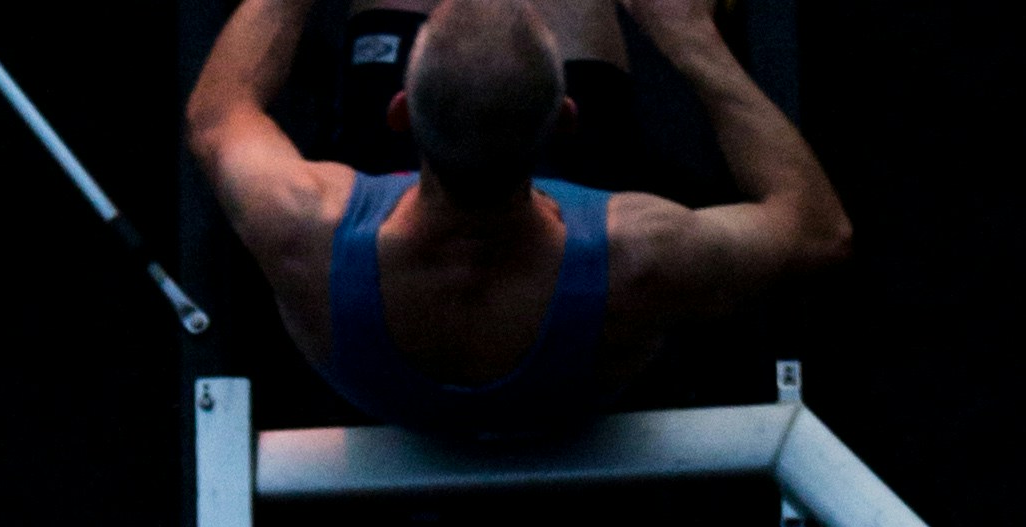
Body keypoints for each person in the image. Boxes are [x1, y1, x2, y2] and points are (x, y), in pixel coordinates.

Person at [184, 0, 851, 446]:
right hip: (568, 373)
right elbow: (818, 229)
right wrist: (692, 42)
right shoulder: (641, 251)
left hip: (381, 375)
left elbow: (217, 112)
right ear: (566, 119)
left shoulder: (305, 219)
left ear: (398, 113)